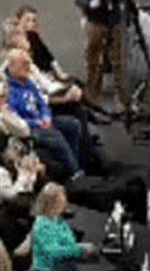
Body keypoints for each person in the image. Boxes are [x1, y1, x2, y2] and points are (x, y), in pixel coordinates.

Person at [5, 49, 88, 180]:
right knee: (56, 136)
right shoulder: (8, 91)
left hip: (42, 120)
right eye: (24, 64)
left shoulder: (28, 82)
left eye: (28, 64)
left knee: (73, 124)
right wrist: (39, 122)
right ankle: (75, 173)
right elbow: (17, 119)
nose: (28, 68)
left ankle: (74, 165)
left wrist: (46, 117)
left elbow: (42, 104)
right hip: (30, 128)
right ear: (12, 67)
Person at [76, 0, 136, 115]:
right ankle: (92, 97)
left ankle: (122, 100)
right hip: (97, 21)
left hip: (115, 19)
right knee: (94, 60)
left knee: (119, 61)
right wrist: (89, 4)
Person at [29, 183, 97, 271]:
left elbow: (68, 243)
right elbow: (53, 252)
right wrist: (80, 249)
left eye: (63, 202)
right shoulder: (42, 224)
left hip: (64, 263)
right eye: (59, 203)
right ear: (49, 204)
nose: (63, 206)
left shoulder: (58, 219)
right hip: (48, 270)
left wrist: (80, 247)